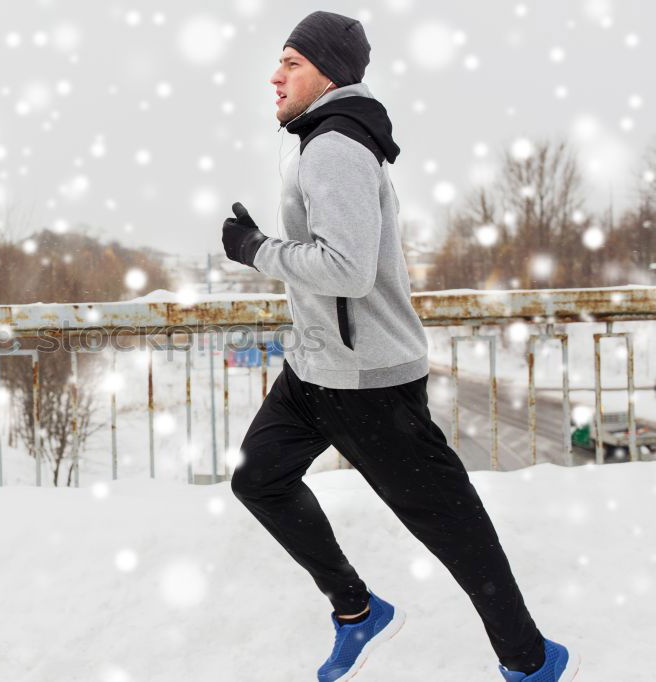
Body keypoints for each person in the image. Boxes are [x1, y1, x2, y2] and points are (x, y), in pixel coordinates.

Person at [220, 10, 579, 682]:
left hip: (368, 381)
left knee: (450, 526)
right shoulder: (322, 141)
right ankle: (359, 613)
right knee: (259, 478)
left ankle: (531, 659)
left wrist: (255, 249)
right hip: (316, 369)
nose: (275, 75)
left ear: (327, 72)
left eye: (291, 63)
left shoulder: (334, 147)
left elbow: (348, 269)